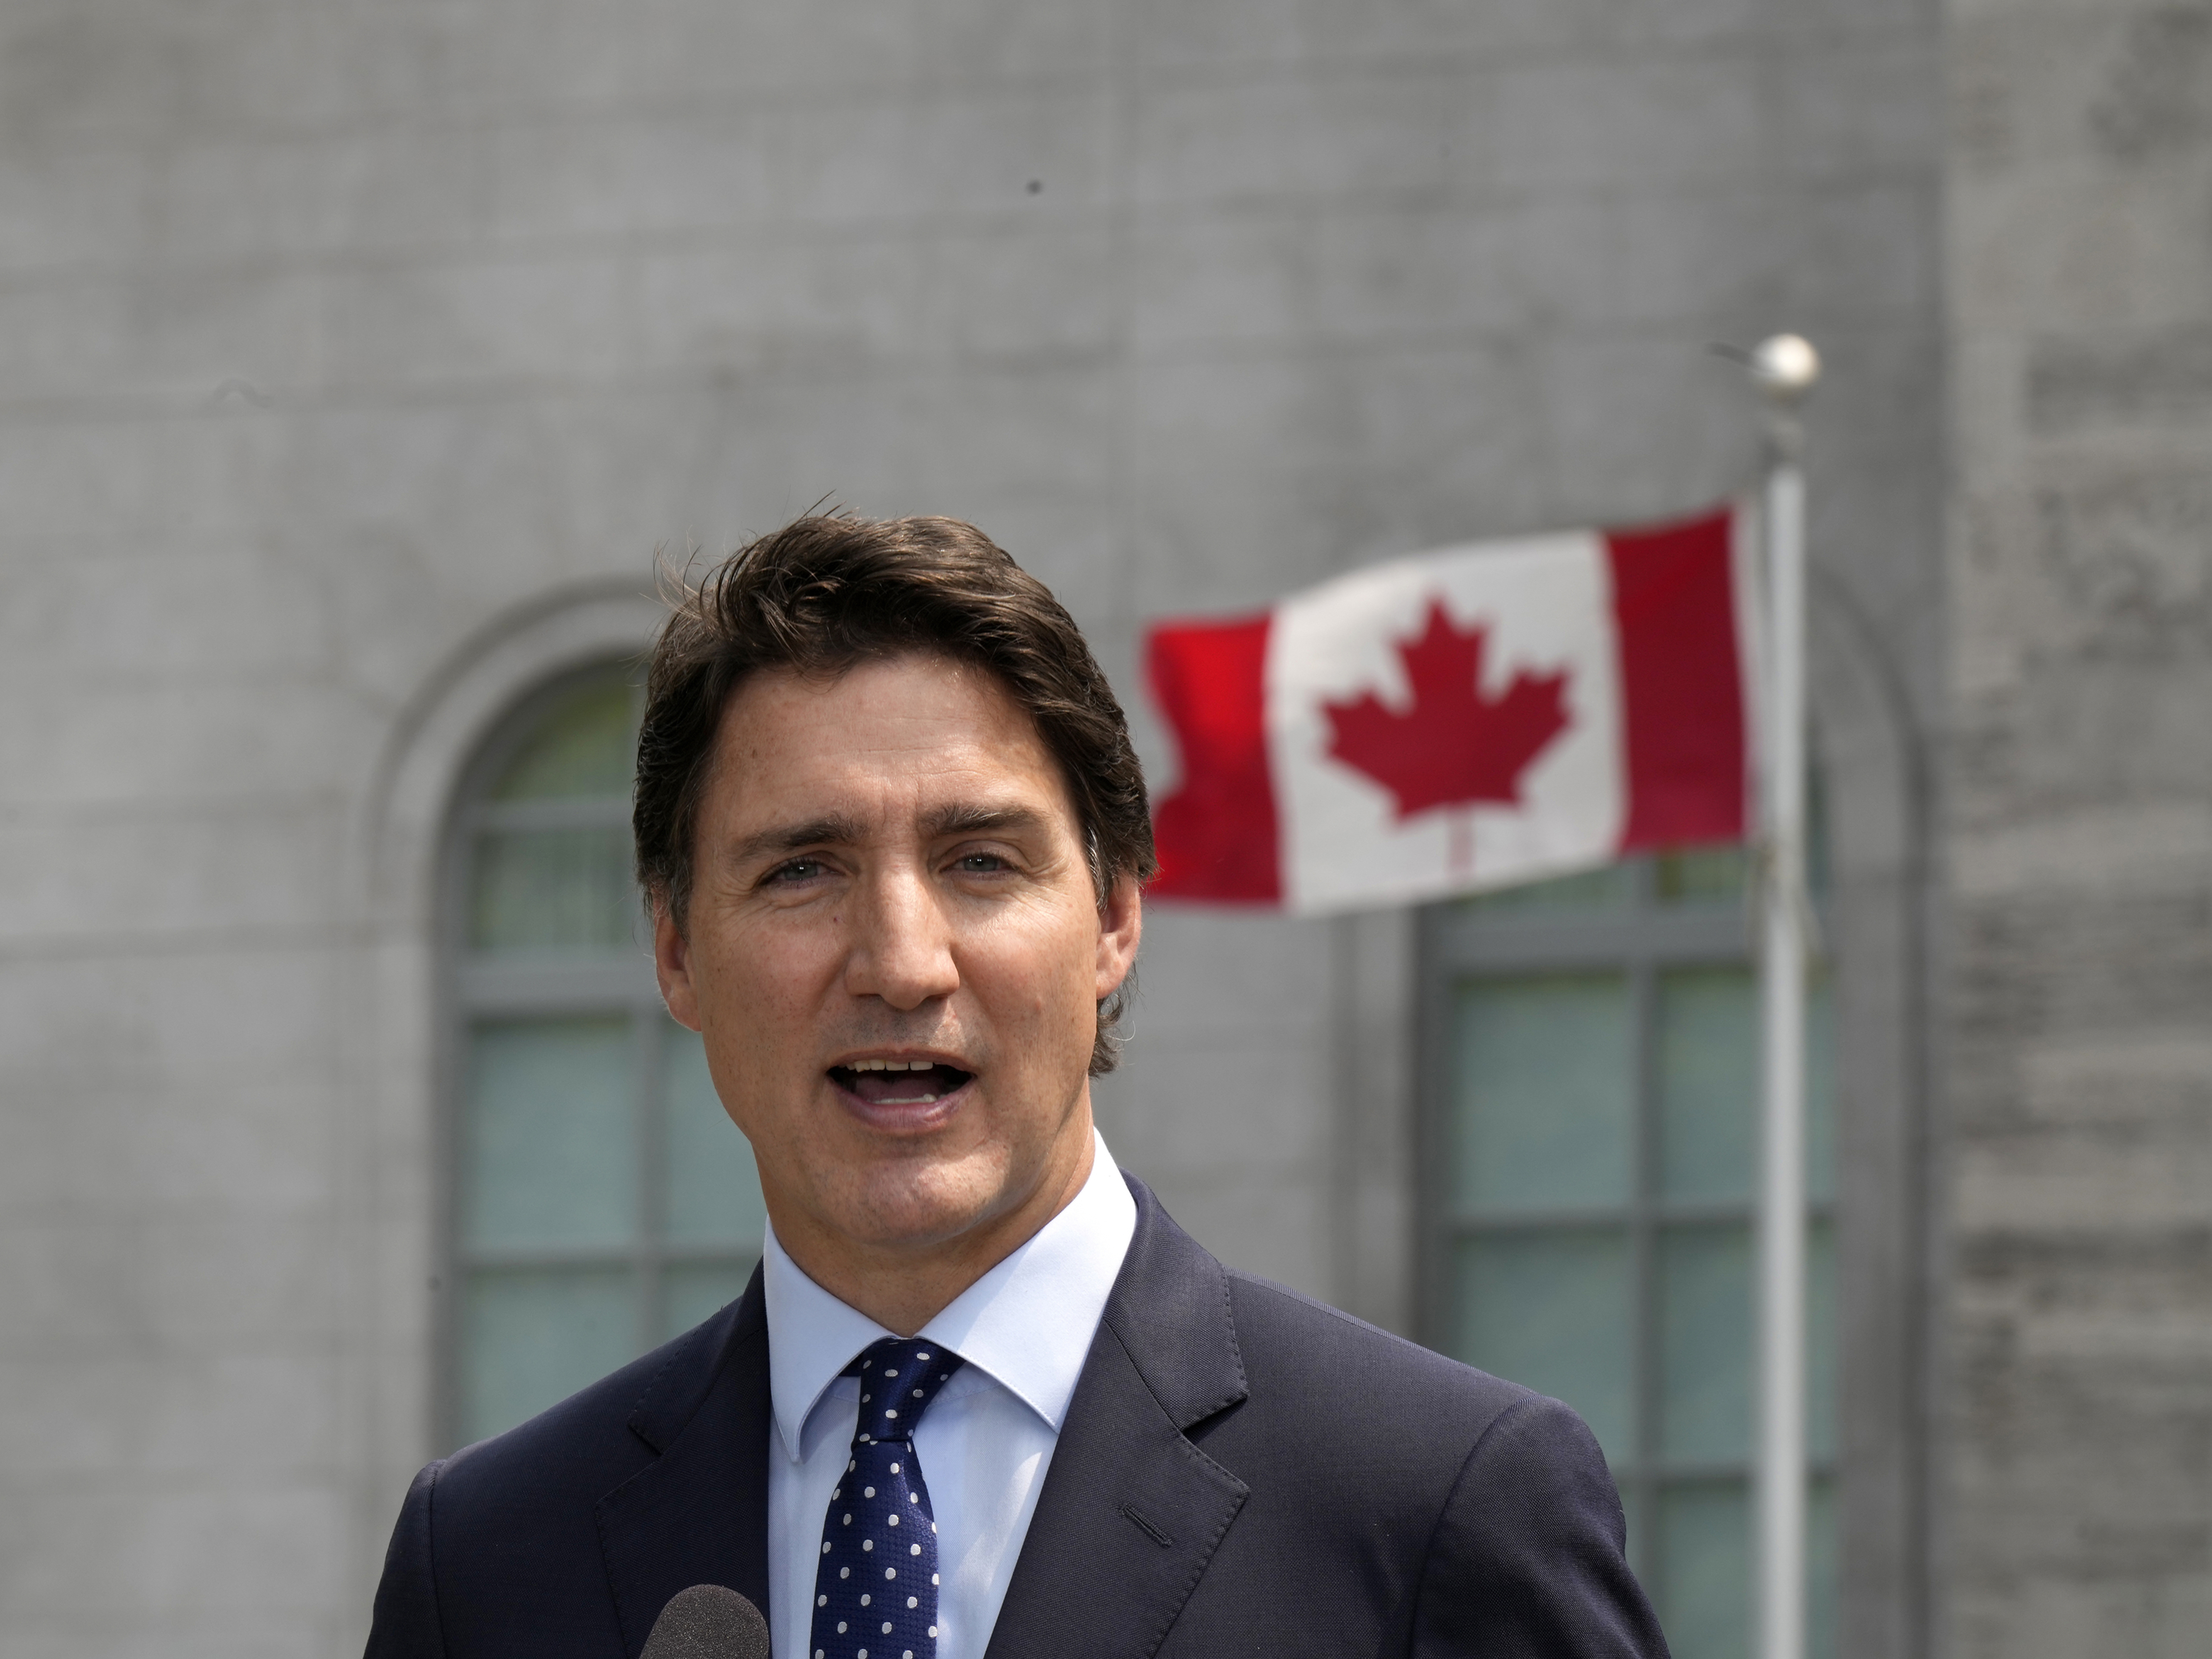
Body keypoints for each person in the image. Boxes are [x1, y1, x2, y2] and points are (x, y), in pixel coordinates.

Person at [362, 514, 1668, 1659]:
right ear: (675, 951)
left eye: (981, 862)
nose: (902, 961)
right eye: (801, 871)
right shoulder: (484, 1564)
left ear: (1110, 920)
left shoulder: (1435, 1504)